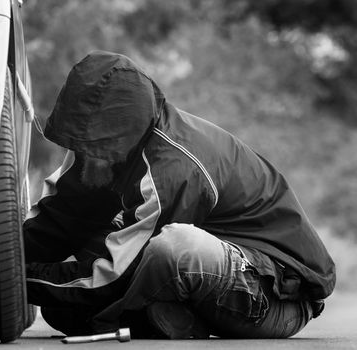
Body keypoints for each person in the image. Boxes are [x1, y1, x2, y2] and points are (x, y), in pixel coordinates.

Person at [23, 51, 336, 339]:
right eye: (76, 139)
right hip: (214, 286)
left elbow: (115, 273)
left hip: (275, 298)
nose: (77, 150)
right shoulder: (100, 153)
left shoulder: (172, 167)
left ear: (119, 133)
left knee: (176, 245)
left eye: (89, 142)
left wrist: (13, 280)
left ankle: (140, 318)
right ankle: (171, 319)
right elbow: (61, 218)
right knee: (60, 308)